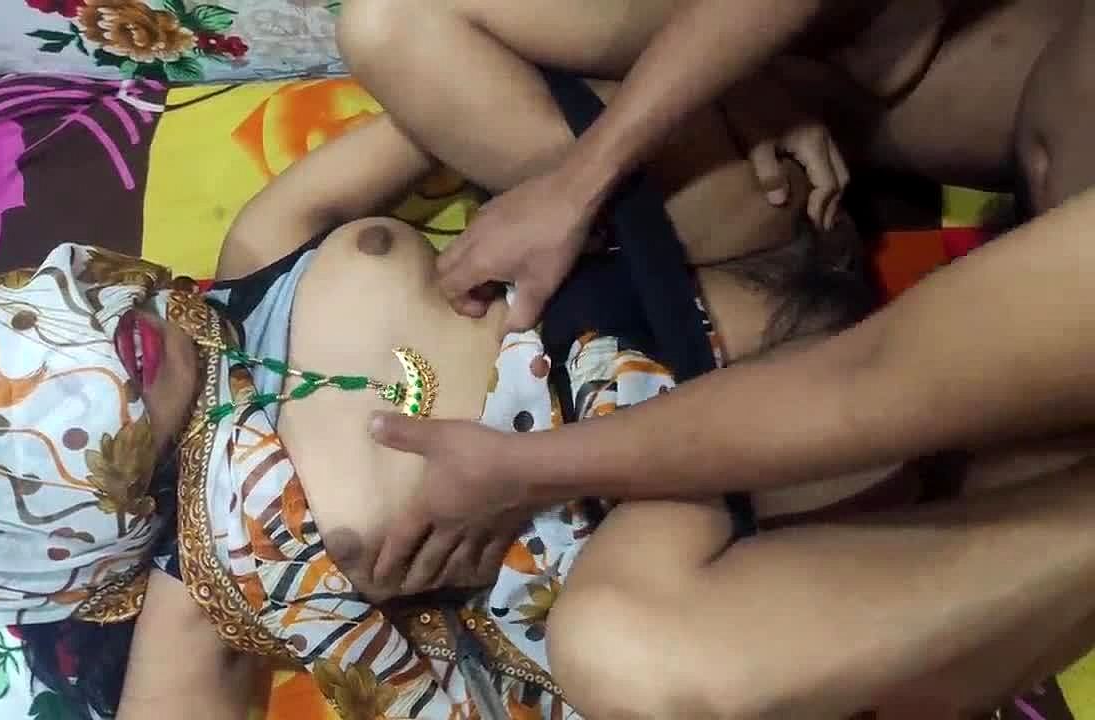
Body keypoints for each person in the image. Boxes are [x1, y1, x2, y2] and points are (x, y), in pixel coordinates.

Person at [0, 62, 893, 717]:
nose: (94, 348)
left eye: (4, 326)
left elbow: (447, 110)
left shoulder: (263, 250)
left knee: (402, 31)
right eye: (18, 421)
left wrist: (702, 96)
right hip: (729, 482)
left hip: (713, 252)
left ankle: (777, 84)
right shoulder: (206, 576)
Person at [336, 0, 1095, 715]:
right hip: (817, 186)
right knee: (392, 22)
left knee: (634, 656)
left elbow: (871, 386)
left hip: (853, 393)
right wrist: (595, 168)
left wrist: (527, 468)